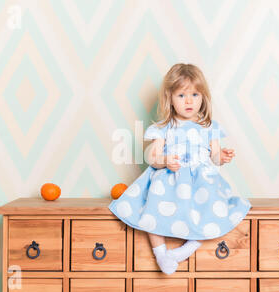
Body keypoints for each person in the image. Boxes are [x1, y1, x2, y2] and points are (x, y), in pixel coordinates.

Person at [108, 63, 252, 275]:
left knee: (214, 212)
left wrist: (221, 157)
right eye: (181, 95)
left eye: (195, 94)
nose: (189, 101)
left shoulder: (208, 127)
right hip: (169, 181)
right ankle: (161, 254)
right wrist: (164, 160)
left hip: (201, 182)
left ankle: (185, 250)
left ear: (203, 97)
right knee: (150, 212)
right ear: (170, 98)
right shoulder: (164, 127)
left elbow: (214, 156)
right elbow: (151, 156)